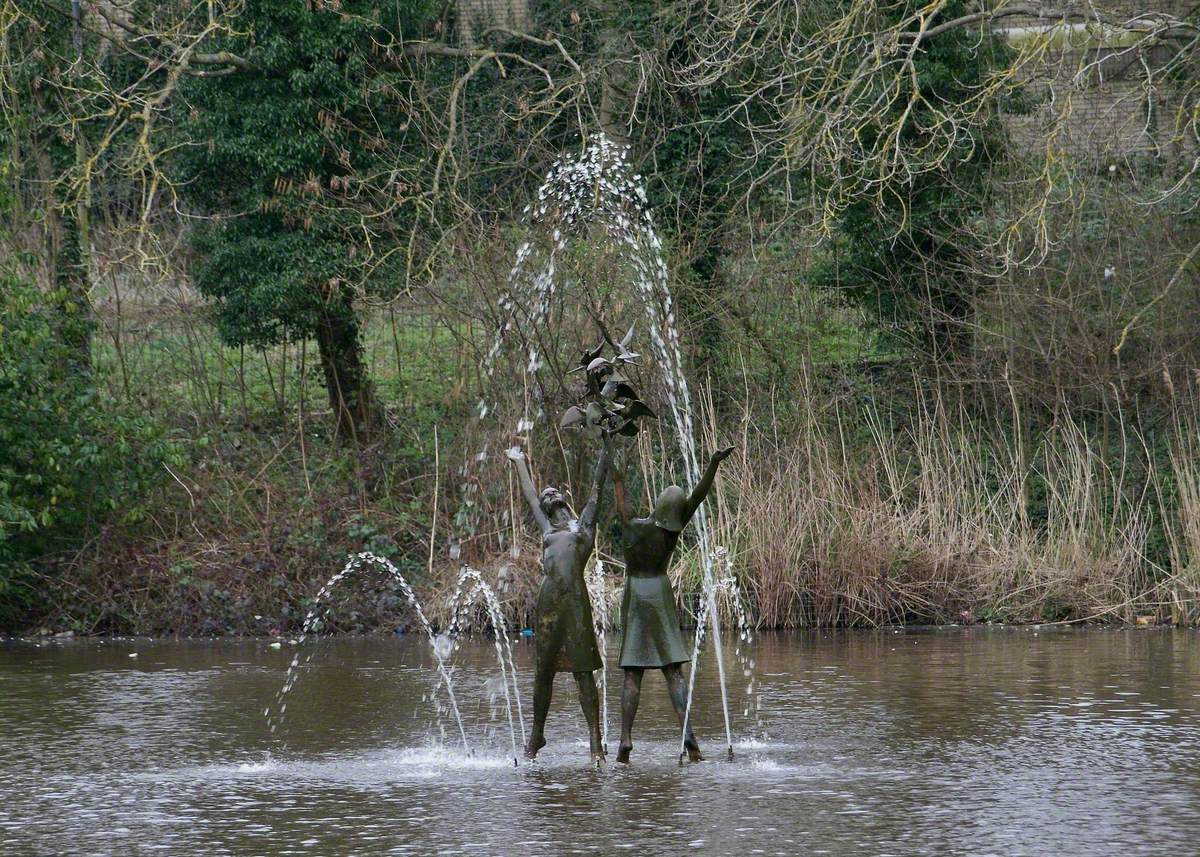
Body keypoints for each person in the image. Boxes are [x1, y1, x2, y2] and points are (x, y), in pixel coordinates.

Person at [612, 445, 735, 764]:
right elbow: (698, 497)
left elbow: (622, 506)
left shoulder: (634, 527)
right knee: (674, 673)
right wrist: (712, 466)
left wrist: (618, 471)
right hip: (660, 594)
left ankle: (625, 738)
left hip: (636, 593)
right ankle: (689, 738)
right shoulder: (672, 533)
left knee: (632, 673)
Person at [506, 438, 612, 763]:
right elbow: (528, 494)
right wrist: (519, 460)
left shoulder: (584, 526)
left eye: (553, 492)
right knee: (543, 672)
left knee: (584, 673)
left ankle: (596, 743)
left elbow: (597, 485)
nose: (548, 494)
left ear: (564, 500)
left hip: (576, 605)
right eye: (545, 494)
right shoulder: (546, 530)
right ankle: (537, 735)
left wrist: (606, 444)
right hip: (548, 605)